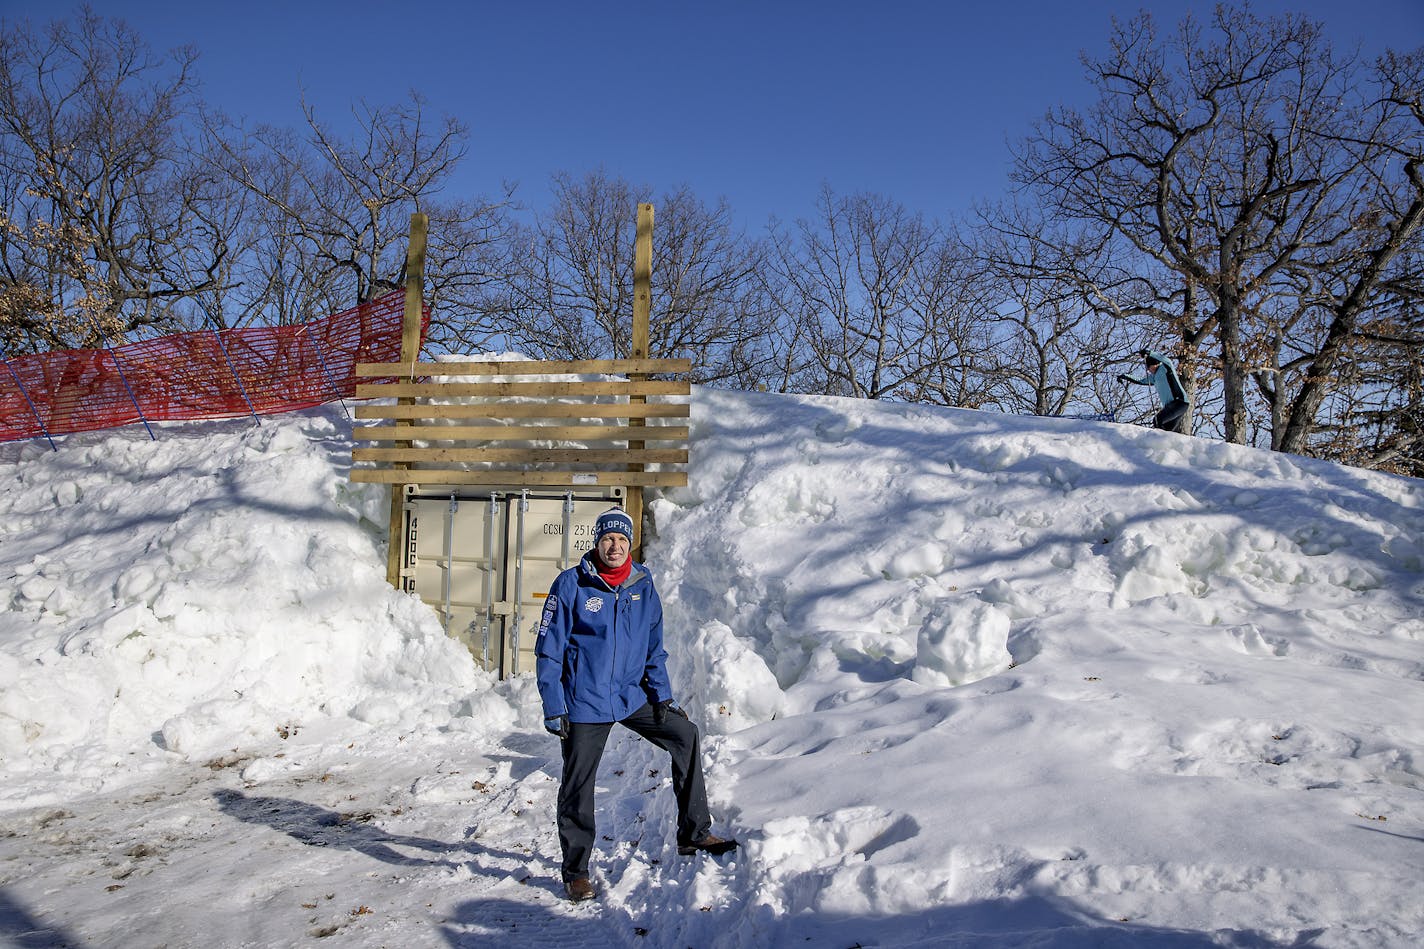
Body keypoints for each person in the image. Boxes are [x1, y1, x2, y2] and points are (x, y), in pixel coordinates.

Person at [534, 507, 737, 903]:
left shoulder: (643, 583)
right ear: (597, 542)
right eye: (608, 539)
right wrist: (554, 704)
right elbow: (548, 651)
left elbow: (652, 647)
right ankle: (576, 871)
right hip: (584, 702)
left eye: (622, 540)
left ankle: (693, 833)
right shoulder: (571, 584)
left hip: (630, 696)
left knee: (685, 734)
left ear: (630, 544)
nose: (615, 546)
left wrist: (662, 695)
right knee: (578, 786)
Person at [1118, 349, 1190, 433]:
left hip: (1179, 402)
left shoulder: (1166, 368)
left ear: (1154, 364)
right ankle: (1165, 445)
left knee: (1157, 420)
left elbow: (1166, 360)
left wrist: (1150, 353)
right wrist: (1125, 376)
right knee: (1167, 430)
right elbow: (1141, 380)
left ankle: (1157, 442)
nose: (1148, 370)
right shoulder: (1154, 378)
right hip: (1172, 406)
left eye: (1148, 367)